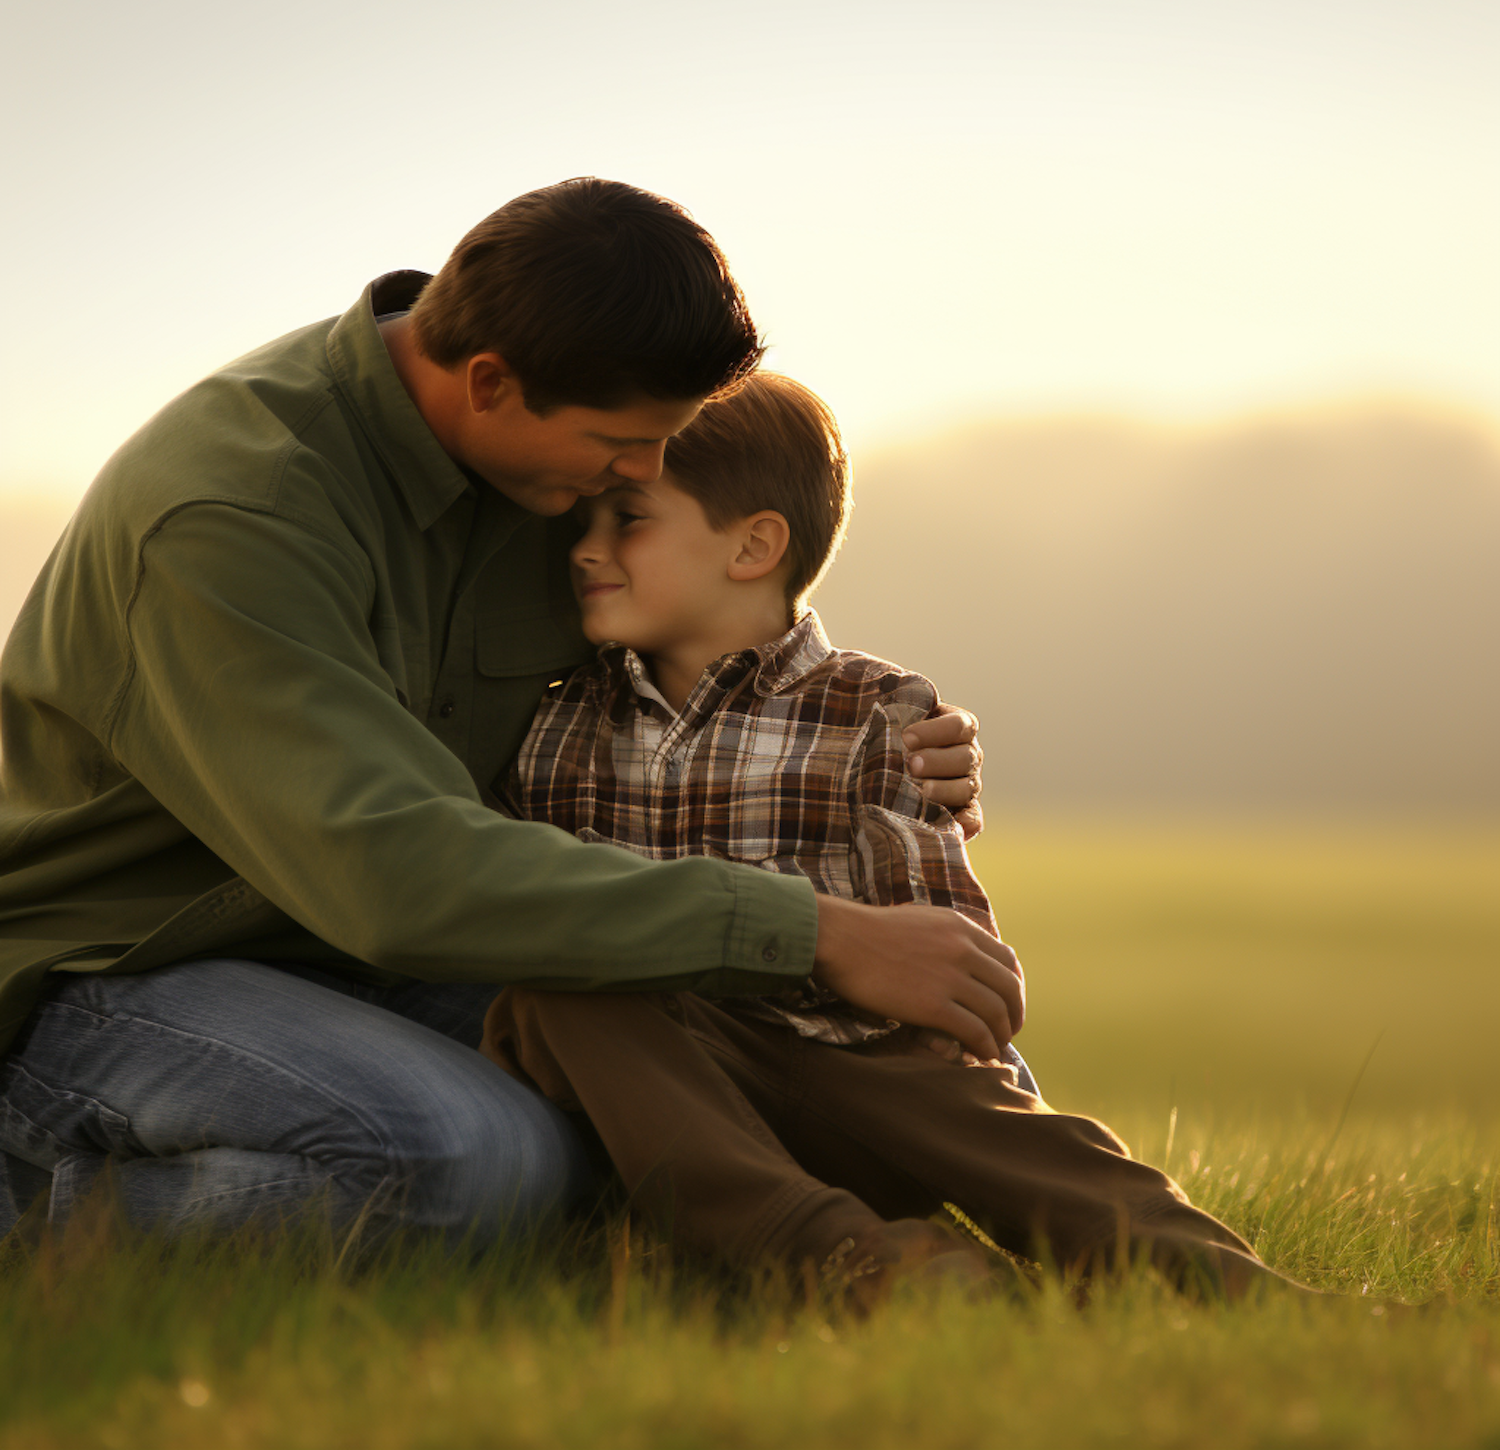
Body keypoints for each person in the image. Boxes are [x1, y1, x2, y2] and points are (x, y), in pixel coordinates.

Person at [0, 179, 995, 1244]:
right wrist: (813, 932)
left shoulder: (543, 468)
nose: (643, 472)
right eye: (623, 443)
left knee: (736, 1084)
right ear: (488, 382)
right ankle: (29, 1219)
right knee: (467, 1159)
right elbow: (394, 872)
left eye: (668, 442)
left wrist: (870, 726)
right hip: (115, 965)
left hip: (384, 956)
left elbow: (708, 594)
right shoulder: (228, 514)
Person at [480, 374, 1293, 1308]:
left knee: (1031, 1144)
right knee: (558, 1000)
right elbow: (521, 886)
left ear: (753, 545)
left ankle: (1239, 1291)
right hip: (681, 1088)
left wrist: (951, 1045)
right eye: (583, 523)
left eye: (627, 520)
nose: (584, 550)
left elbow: (927, 906)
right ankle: (852, 1262)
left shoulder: (874, 709)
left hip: (848, 1061)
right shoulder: (561, 720)